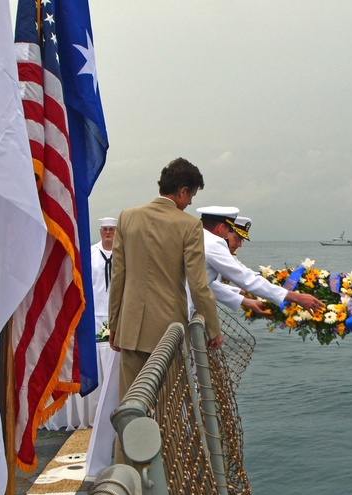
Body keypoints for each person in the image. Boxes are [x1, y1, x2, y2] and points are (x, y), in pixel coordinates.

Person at [108, 157, 223, 398]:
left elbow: (118, 276)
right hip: (166, 331)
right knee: (166, 409)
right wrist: (213, 328)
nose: (190, 203)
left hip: (129, 329)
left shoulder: (127, 217)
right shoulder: (189, 226)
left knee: (130, 407)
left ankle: (125, 438)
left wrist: (115, 326)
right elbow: (198, 285)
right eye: (191, 197)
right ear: (182, 191)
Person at [196, 205, 324, 315]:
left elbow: (206, 284)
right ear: (220, 227)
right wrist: (297, 297)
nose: (238, 244)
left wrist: (245, 300)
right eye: (229, 230)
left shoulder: (197, 237)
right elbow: (245, 278)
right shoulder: (213, 243)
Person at [90, 217, 117, 330]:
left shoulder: (123, 253)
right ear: (100, 232)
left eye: (111, 229)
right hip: (96, 310)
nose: (108, 232)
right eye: (105, 229)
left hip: (116, 312)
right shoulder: (91, 253)